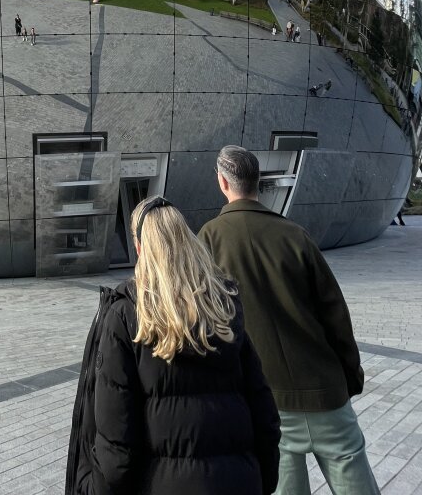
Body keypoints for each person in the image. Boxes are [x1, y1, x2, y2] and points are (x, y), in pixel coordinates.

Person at [67, 196, 280, 495]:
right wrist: (263, 479)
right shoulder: (224, 307)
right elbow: (265, 412)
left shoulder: (128, 315)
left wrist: (89, 486)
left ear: (140, 248)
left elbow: (117, 443)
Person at [199, 146, 379, 495]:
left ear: (223, 182)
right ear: (259, 183)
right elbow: (336, 317)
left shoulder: (208, 239)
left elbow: (206, 326)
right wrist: (350, 378)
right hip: (326, 392)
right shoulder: (296, 235)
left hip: (266, 400)